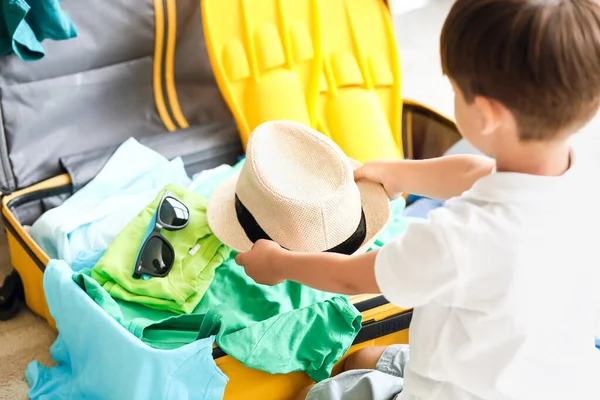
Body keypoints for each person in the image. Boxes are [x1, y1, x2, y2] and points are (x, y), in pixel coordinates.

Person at [235, 0, 600, 399]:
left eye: (455, 89)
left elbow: (351, 276)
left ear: (486, 113)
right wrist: (397, 172)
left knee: (315, 394)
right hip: (543, 376)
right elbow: (474, 173)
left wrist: (278, 263)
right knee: (362, 359)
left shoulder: (460, 238)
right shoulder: (579, 176)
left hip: (458, 391)